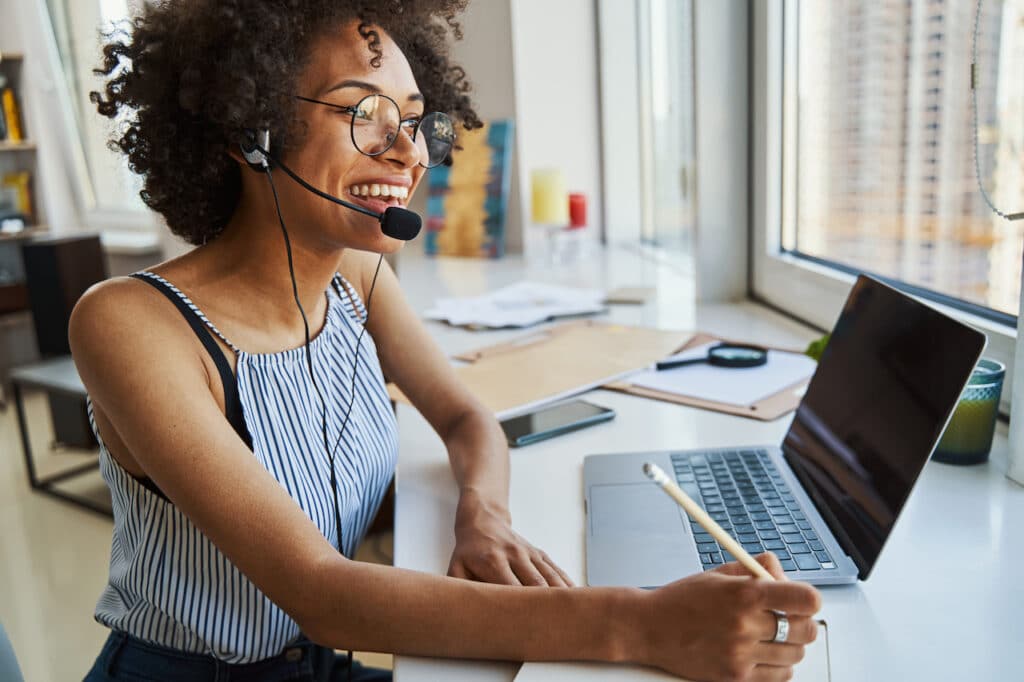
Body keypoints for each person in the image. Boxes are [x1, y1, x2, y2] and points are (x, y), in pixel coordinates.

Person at [72, 2, 821, 680]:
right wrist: (642, 625)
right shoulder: (132, 325)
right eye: (362, 112)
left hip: (317, 666)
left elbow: (468, 420)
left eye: (413, 117)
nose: (410, 152)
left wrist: (482, 513)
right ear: (250, 132)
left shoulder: (355, 278)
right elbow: (321, 593)